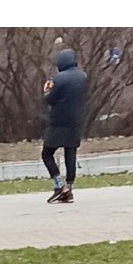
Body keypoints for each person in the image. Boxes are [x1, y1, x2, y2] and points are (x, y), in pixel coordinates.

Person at [42, 47, 88, 204]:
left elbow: (50, 99)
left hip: (58, 122)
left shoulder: (58, 79)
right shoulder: (83, 77)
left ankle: (59, 185)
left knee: (47, 153)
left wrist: (46, 90)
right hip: (76, 121)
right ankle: (69, 189)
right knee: (71, 153)